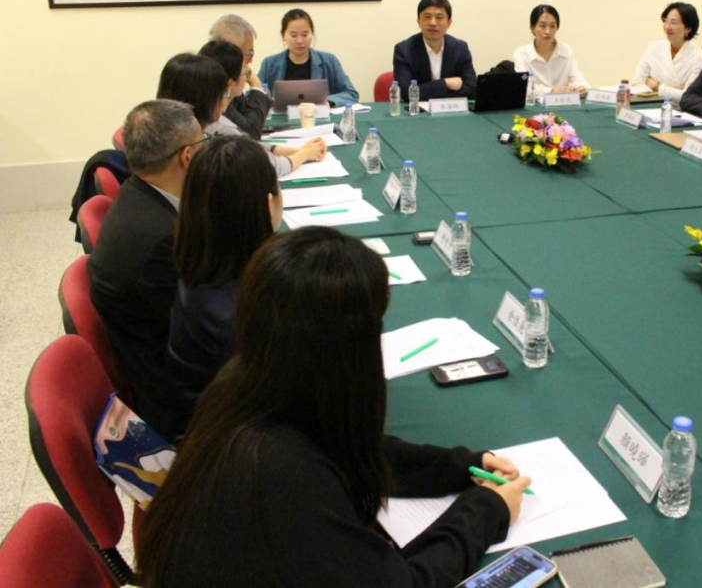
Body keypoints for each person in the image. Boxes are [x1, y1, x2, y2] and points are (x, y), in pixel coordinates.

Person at [135, 228, 531, 586]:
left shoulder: (246, 380)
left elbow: (345, 446)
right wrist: (487, 511)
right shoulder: (288, 476)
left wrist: (460, 466)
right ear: (347, 349)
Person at [89, 100, 206, 435]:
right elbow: (203, 333)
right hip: (180, 401)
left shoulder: (139, 194)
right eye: (204, 143)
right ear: (187, 156)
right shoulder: (160, 241)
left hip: (158, 355)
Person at [160, 136, 283, 442]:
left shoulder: (204, 257)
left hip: (209, 425)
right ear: (267, 205)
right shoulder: (235, 318)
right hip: (227, 446)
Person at [163, 49, 325, 177]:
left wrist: (299, 151)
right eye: (221, 92)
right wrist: (303, 154)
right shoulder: (206, 138)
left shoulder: (197, 124)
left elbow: (245, 142)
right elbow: (265, 167)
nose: (225, 96)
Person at [259, 8, 359, 107]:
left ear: (312, 34)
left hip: (318, 116)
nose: (300, 41)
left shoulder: (330, 61)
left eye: (305, 34)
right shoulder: (269, 64)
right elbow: (255, 97)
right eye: (293, 35)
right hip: (281, 116)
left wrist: (328, 102)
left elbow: (351, 93)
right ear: (283, 36)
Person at [393, 0, 477, 100]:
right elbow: (407, 93)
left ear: (449, 23)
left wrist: (427, 91)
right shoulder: (404, 50)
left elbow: (471, 89)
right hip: (418, 110)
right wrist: (446, 83)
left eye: (439, 17)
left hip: (451, 109)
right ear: (418, 21)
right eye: (427, 17)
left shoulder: (460, 49)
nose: (433, 23)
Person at [208, 14, 271, 138]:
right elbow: (250, 134)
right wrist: (256, 84)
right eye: (249, 53)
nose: (251, 60)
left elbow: (247, 118)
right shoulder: (214, 83)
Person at [630, 2, 702, 104]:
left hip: (679, 111)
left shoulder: (699, 57)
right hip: (648, 106)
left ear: (688, 28)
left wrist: (656, 87)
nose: (667, 27)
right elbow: (636, 83)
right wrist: (672, 91)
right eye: (665, 21)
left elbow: (688, 97)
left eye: (673, 23)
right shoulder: (654, 47)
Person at [513, 4, 589, 98]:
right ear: (532, 28)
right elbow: (524, 87)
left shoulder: (566, 51)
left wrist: (581, 88)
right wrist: (551, 91)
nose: (548, 31)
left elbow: (578, 78)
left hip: (563, 104)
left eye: (552, 26)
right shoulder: (522, 54)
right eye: (543, 26)